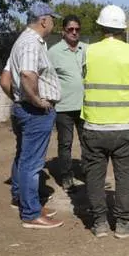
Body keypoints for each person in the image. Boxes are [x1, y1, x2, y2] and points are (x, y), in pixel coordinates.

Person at [81, 4, 129, 239]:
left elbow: (84, 76)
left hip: (94, 126)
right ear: (122, 29)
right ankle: (122, 225)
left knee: (95, 177)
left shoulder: (87, 51)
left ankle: (99, 224)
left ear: (100, 27)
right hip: (124, 128)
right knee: (124, 177)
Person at [6, 2, 64, 229]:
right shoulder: (31, 43)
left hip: (24, 108)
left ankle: (23, 200)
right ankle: (31, 214)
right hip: (35, 112)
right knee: (32, 163)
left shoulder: (21, 41)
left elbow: (5, 78)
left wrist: (19, 99)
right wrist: (38, 100)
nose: (53, 22)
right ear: (43, 20)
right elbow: (28, 74)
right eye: (52, 18)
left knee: (23, 157)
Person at [48, 15, 87, 191]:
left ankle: (90, 175)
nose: (74, 32)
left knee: (89, 142)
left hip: (85, 106)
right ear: (63, 31)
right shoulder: (53, 53)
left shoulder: (87, 49)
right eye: (70, 29)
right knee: (65, 143)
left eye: (77, 29)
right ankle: (66, 177)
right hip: (63, 107)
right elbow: (46, 78)